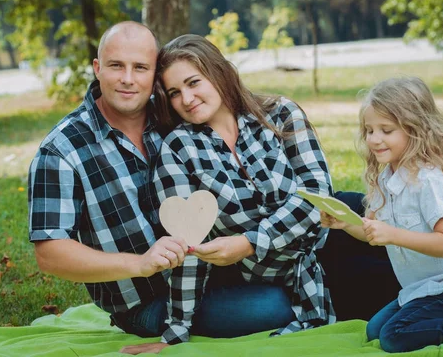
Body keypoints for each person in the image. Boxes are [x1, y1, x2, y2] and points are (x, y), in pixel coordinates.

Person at [27, 22, 296, 354]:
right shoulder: (62, 150)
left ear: (154, 76)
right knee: (277, 305)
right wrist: (139, 263)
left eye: (140, 67)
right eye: (116, 66)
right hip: (149, 301)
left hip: (220, 267)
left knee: (341, 227)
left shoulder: (175, 116)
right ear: (97, 69)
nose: (128, 78)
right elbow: (50, 254)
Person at [128, 34, 335, 352]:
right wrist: (175, 333)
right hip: (264, 275)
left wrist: (251, 242)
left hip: (328, 246)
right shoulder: (179, 150)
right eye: (174, 93)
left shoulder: (279, 113)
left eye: (193, 82)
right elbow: (188, 243)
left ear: (218, 72)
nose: (186, 98)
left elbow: (318, 195)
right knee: (276, 309)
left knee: (391, 273)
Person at [321, 77, 443, 353]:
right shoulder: (386, 179)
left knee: (394, 337)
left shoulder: (429, 182)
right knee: (374, 329)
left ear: (414, 130)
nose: (374, 139)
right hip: (426, 288)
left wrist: (394, 235)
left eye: (386, 130)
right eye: (369, 130)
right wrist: (347, 224)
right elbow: (375, 233)